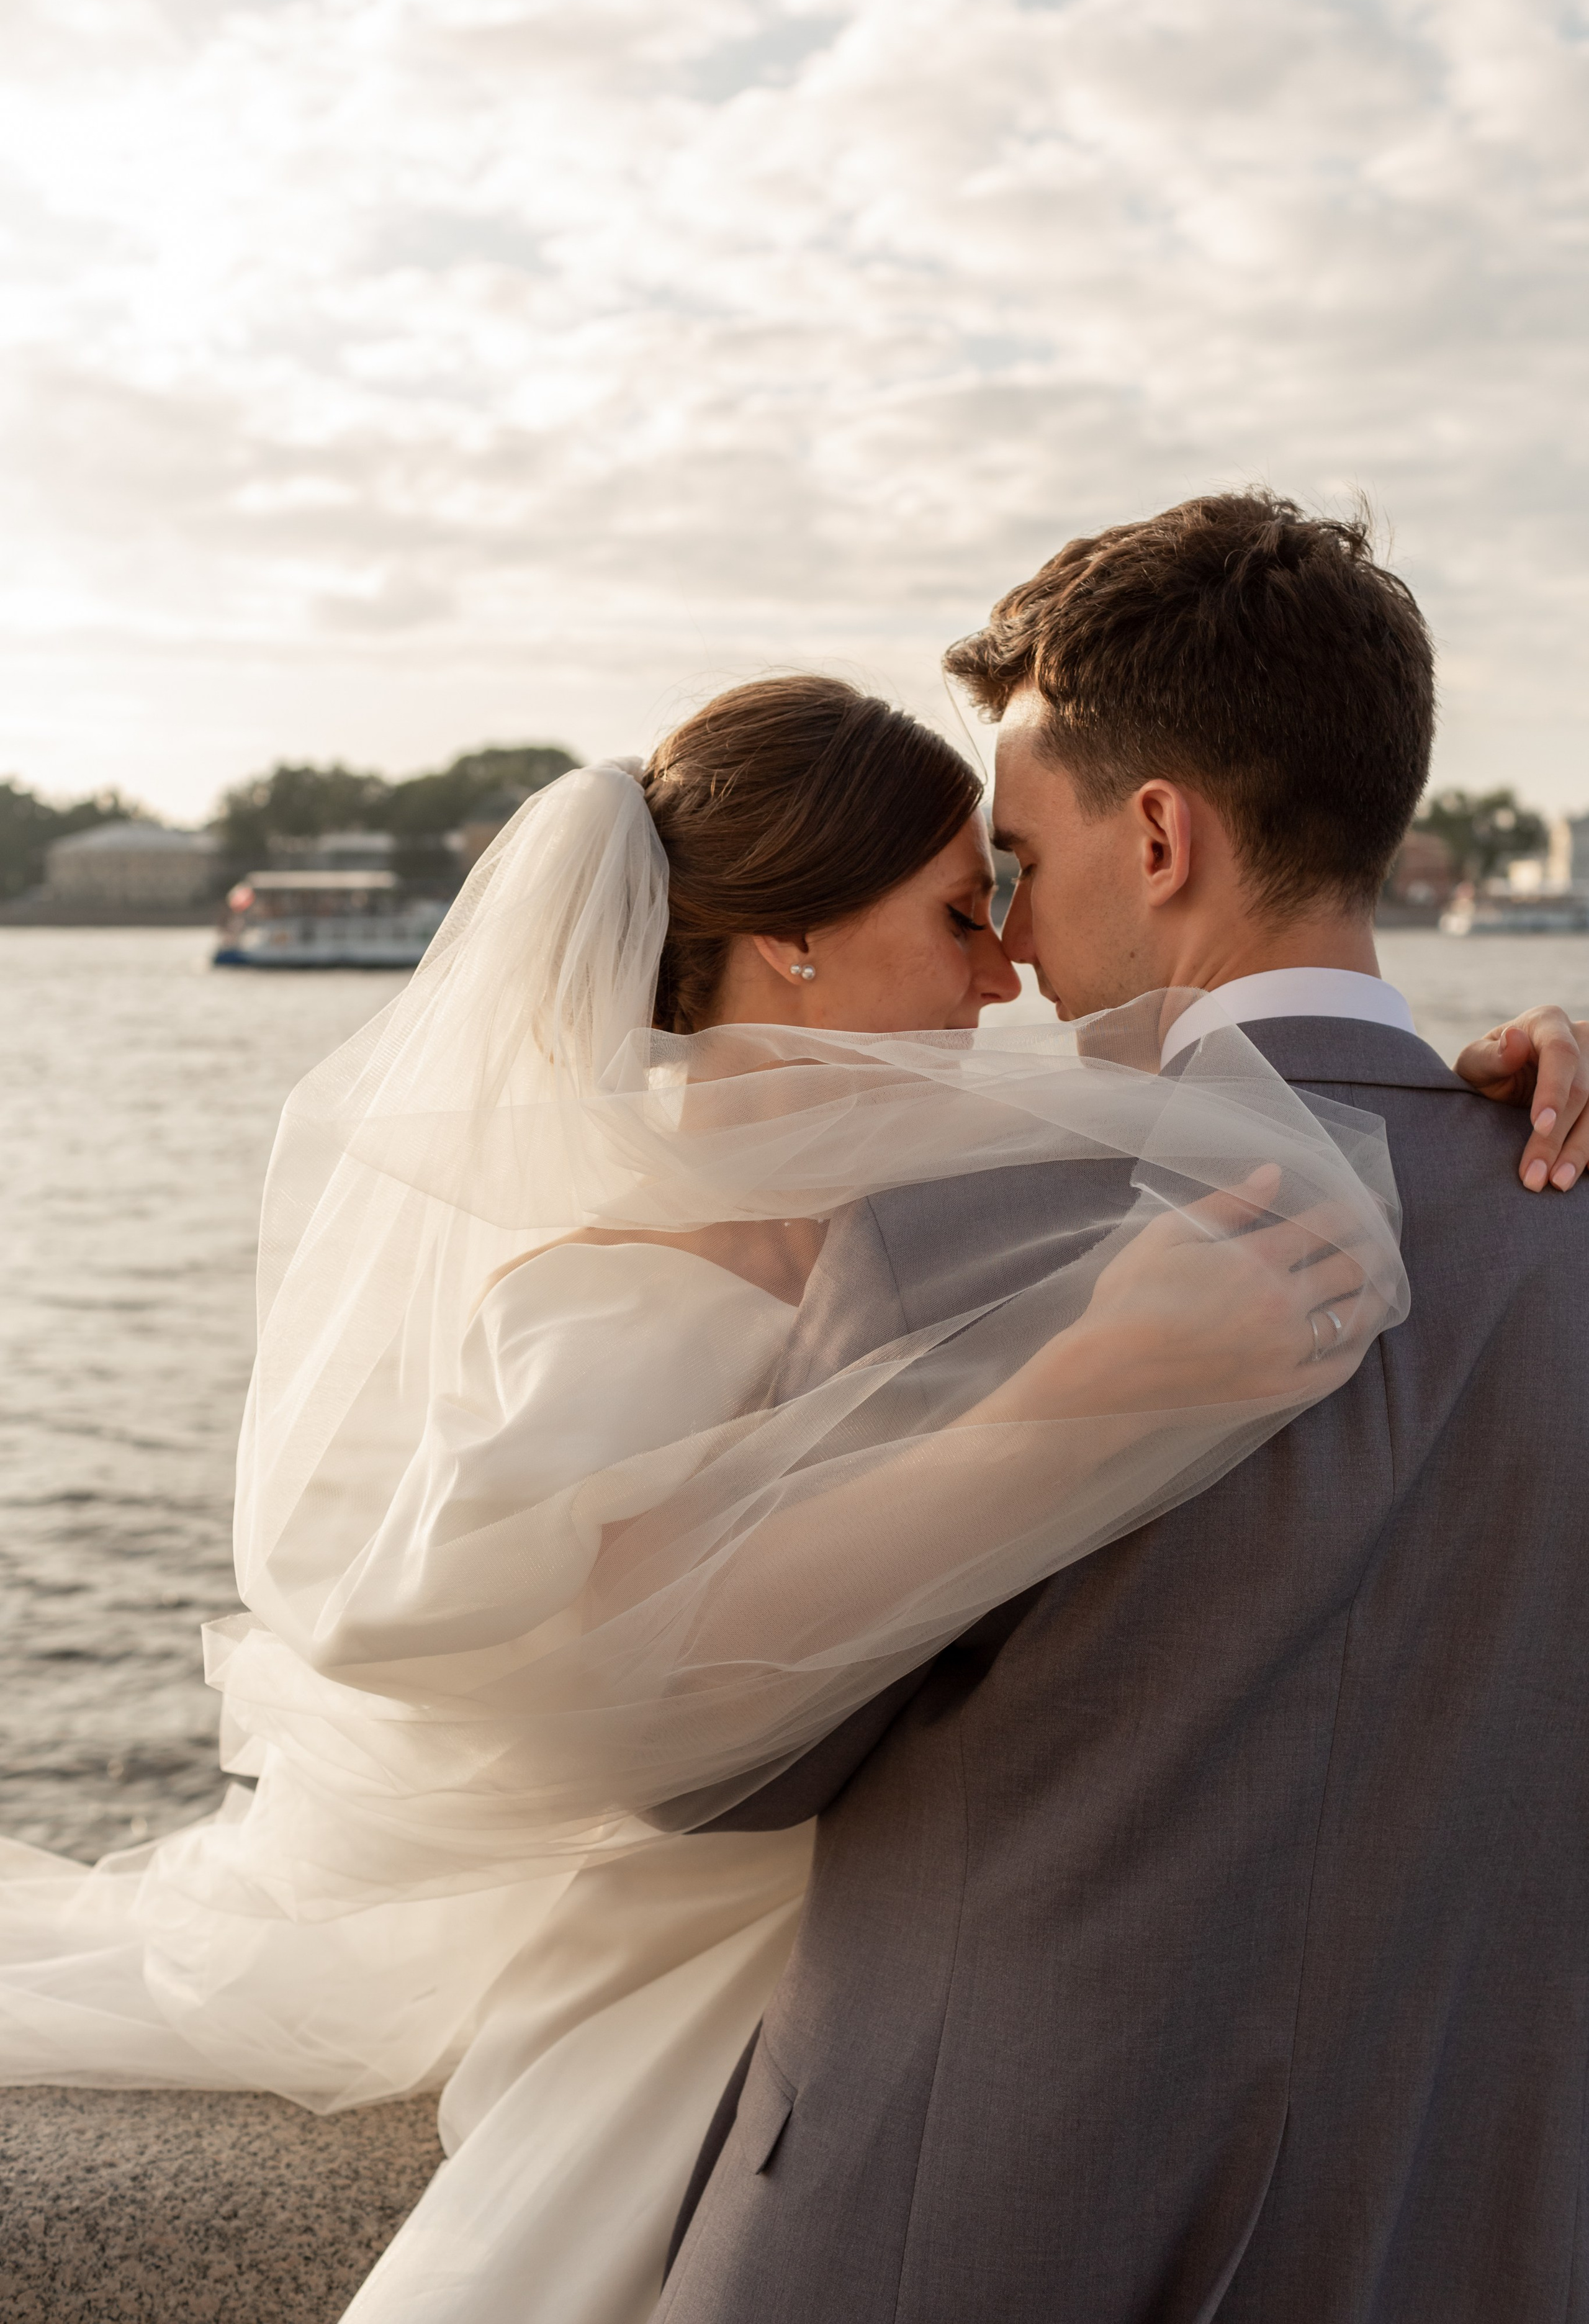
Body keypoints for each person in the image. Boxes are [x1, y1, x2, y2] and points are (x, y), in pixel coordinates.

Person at [0, 662, 1578, 2324]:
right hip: (736, 1931)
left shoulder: (939, 1184)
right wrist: (1066, 1395)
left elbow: (1272, 1107)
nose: (1005, 971)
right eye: (964, 911)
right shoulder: (622, 1287)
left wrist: (1506, 1071)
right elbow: (594, 1699)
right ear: (796, 942)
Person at [655, 495, 1589, 2324]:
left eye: (1015, 857)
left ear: (1157, 834)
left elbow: (725, 1759)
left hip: (942, 2247)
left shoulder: (954, 1220)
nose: (1012, 940)